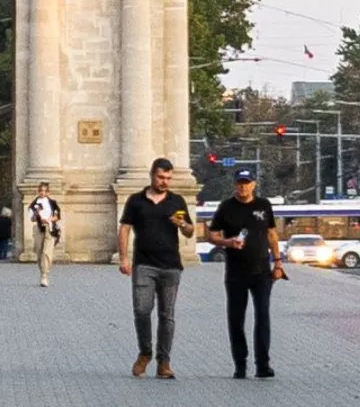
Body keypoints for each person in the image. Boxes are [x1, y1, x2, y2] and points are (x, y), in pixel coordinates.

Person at [118, 157, 194, 380]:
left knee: (167, 315)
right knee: (142, 310)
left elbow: (190, 231)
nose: (164, 182)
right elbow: (125, 229)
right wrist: (123, 258)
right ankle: (145, 352)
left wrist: (182, 224)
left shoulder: (177, 201)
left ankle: (164, 361)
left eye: (168, 178)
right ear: (152, 175)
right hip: (143, 264)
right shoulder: (135, 201)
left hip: (171, 266)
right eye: (161, 177)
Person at [207, 168, 286, 379]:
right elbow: (212, 235)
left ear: (254, 184)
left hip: (261, 272)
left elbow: (272, 234)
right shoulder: (226, 207)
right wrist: (227, 242)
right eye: (240, 182)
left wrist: (277, 263)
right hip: (235, 273)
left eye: (247, 182)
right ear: (234, 184)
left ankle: (263, 365)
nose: (243, 186)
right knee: (236, 319)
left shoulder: (263, 205)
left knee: (263, 317)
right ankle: (240, 365)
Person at [28, 182, 60, 287]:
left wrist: (49, 219)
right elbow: (32, 219)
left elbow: (57, 216)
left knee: (47, 252)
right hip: (38, 228)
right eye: (40, 190)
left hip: (50, 229)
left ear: (48, 192)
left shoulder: (53, 203)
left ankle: (45, 275)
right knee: (39, 252)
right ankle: (42, 272)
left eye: (44, 191)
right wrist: (36, 213)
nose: (42, 193)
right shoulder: (33, 204)